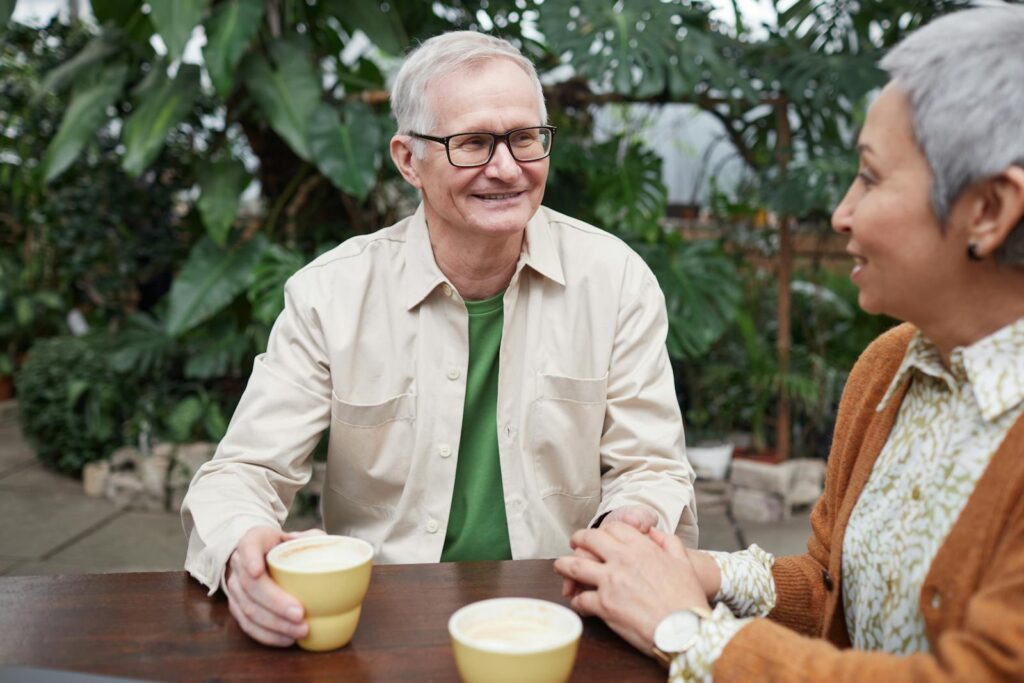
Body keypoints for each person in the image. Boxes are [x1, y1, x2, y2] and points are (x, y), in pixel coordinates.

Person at [181, 31, 698, 647]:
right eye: (473, 143)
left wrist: (627, 525)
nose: (506, 168)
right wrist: (244, 547)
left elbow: (652, 468)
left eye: (524, 138)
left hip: (563, 615)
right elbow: (242, 472)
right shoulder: (332, 295)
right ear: (408, 161)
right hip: (380, 625)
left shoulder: (614, 282)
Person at [554, 6, 1024, 682]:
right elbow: (832, 584)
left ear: (988, 209)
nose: (841, 212)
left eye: (869, 175)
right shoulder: (892, 369)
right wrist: (699, 571)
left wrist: (687, 630)